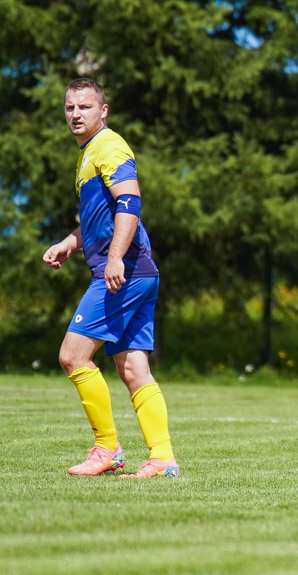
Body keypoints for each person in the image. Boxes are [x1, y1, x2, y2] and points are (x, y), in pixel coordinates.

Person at [42, 78, 179, 479]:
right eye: (70, 108)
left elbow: (130, 202)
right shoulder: (88, 155)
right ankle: (162, 459)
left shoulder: (110, 145)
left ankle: (107, 450)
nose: (76, 114)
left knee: (73, 355)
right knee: (134, 369)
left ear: (103, 111)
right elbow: (99, 218)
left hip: (123, 272)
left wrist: (116, 258)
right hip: (139, 271)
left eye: (85, 107)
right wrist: (71, 241)